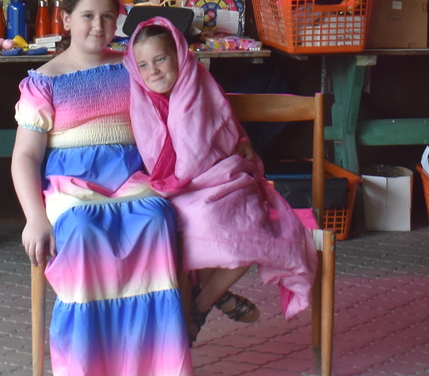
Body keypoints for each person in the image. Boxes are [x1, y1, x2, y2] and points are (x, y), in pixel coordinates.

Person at [11, 0, 194, 376]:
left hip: (130, 176)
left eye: (108, 17)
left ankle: (155, 370)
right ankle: (89, 368)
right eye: (88, 16)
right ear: (65, 19)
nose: (98, 26)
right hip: (71, 185)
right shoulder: (44, 80)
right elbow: (25, 157)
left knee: (157, 218)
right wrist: (34, 218)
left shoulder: (133, 66)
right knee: (81, 230)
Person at [125, 18, 315, 334]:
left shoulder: (198, 82)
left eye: (160, 59)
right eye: (143, 65)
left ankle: (199, 306)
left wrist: (243, 141)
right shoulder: (143, 99)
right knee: (190, 226)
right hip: (178, 188)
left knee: (254, 228)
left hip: (224, 178)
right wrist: (176, 181)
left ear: (179, 56)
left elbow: (223, 124)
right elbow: (154, 151)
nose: (153, 71)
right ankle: (212, 295)